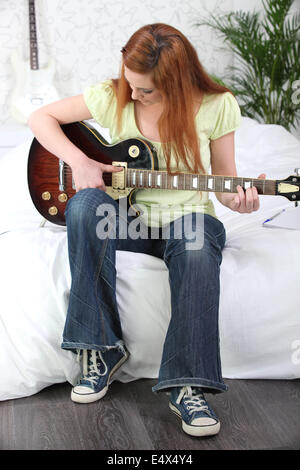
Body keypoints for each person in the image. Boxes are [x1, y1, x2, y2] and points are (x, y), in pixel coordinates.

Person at [28, 23, 265, 438]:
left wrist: (241, 198)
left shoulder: (217, 104)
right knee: (84, 205)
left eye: (146, 91)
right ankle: (100, 349)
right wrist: (80, 163)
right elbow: (40, 118)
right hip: (126, 219)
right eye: (130, 83)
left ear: (176, 82)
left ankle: (187, 384)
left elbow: (226, 183)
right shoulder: (115, 93)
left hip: (186, 220)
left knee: (195, 248)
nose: (133, 95)